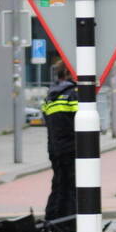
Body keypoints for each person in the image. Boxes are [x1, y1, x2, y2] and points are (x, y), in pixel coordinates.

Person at [42, 62, 78, 223]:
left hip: (55, 149)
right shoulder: (74, 94)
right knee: (72, 188)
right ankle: (69, 224)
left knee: (58, 186)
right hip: (72, 148)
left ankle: (51, 221)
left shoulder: (50, 96)